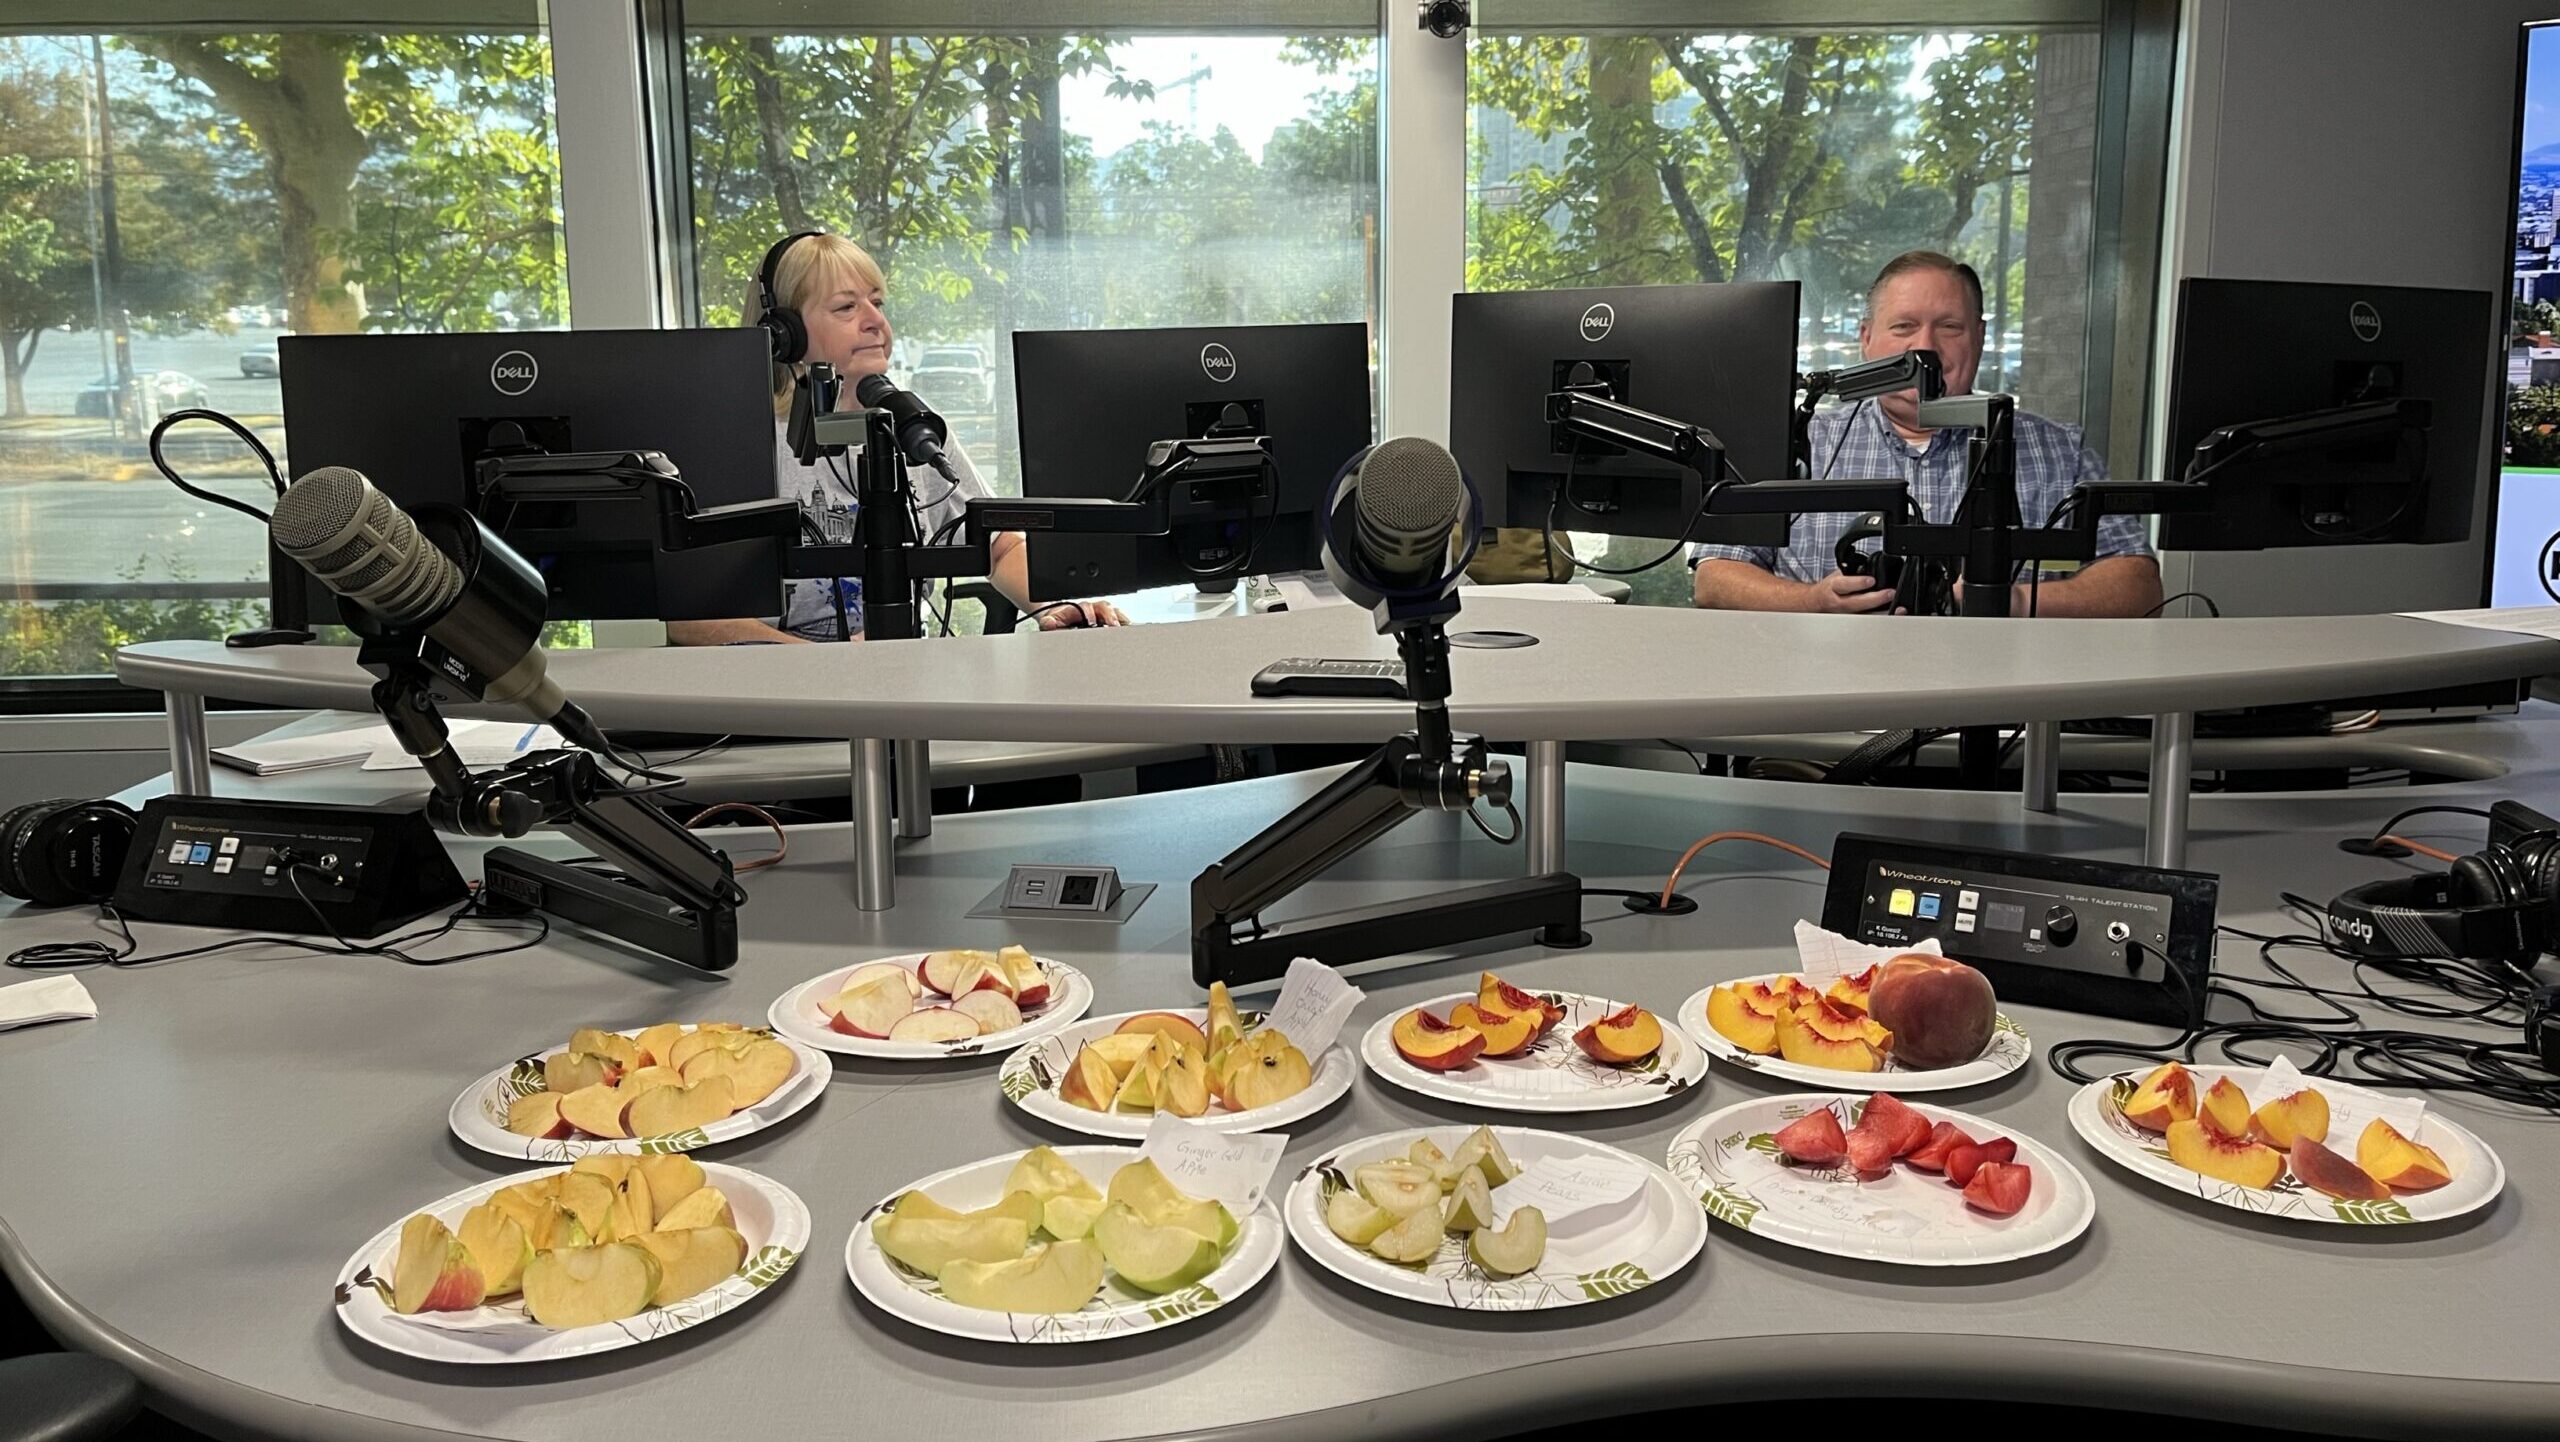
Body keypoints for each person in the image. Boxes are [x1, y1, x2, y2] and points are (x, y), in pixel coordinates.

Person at [667, 232, 1127, 644]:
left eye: (877, 303)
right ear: (784, 333)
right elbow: (689, 618)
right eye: (847, 307)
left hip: (900, 686)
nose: (873, 321)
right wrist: (828, 673)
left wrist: (1055, 603)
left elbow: (1000, 543)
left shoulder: (912, 428)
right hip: (772, 710)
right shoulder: (735, 441)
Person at [1691, 250, 2162, 618]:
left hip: (2004, 716)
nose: (1925, 348)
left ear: (1978, 338)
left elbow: (2138, 584)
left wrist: (2009, 601)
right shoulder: (1798, 440)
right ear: (1866, 338)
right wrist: (1814, 602)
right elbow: (1715, 577)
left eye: (1949, 327)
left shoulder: (2058, 450)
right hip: (1825, 710)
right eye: (1904, 327)